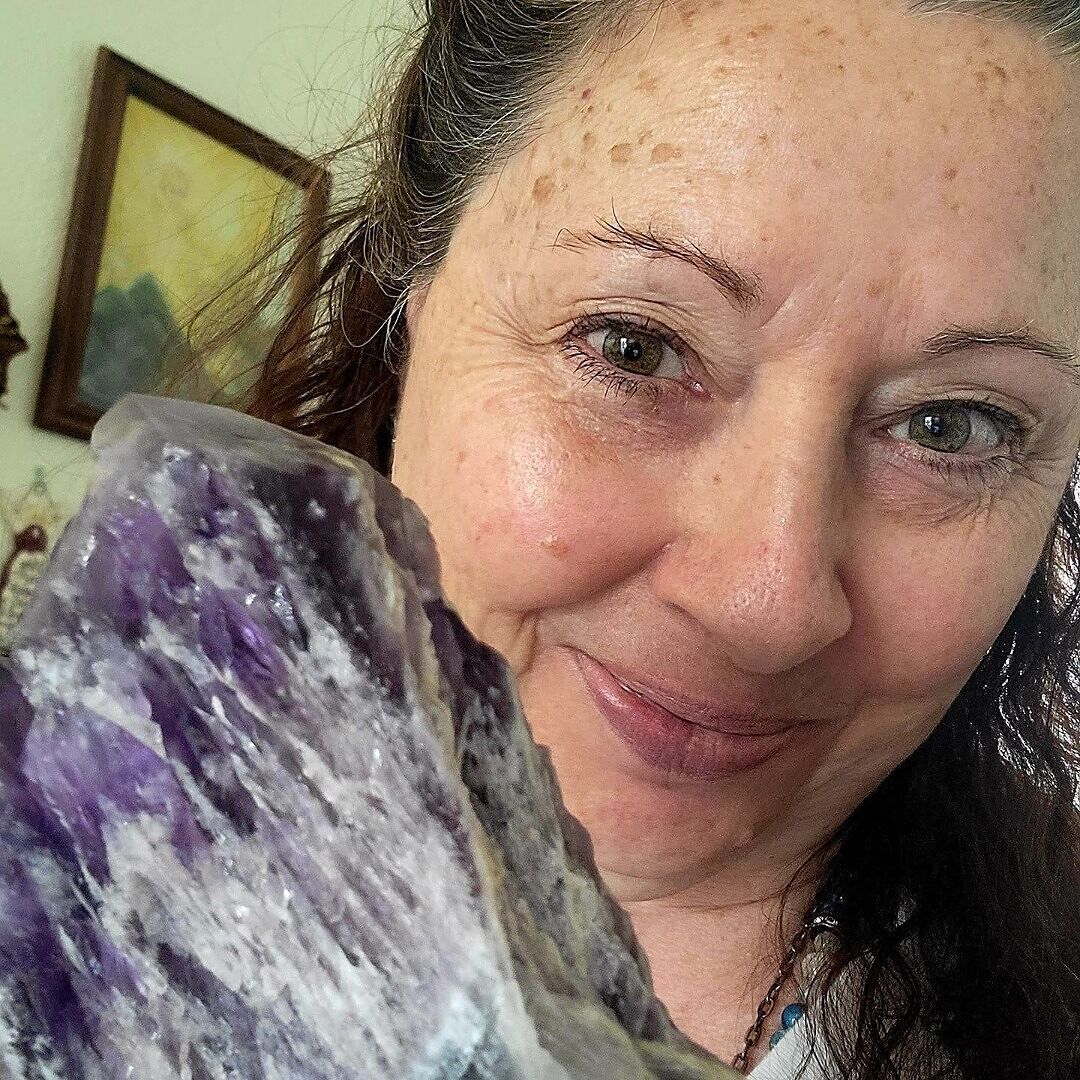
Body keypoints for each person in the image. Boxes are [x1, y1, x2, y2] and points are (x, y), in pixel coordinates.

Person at [234, 0, 1080, 1075]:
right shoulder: (89, 818)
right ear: (414, 292)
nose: (767, 603)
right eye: (633, 347)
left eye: (949, 426)